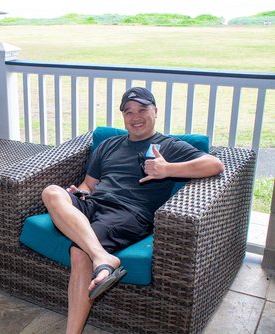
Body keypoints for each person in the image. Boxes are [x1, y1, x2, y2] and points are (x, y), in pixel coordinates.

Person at [41, 87, 225, 333]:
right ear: (123, 117)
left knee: (79, 252)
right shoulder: (108, 145)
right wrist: (81, 192)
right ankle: (103, 257)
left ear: (155, 111)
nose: (135, 117)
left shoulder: (168, 146)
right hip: (95, 204)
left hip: (129, 213)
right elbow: (89, 184)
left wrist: (168, 169)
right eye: (129, 112)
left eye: (142, 109)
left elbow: (215, 164)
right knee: (52, 191)